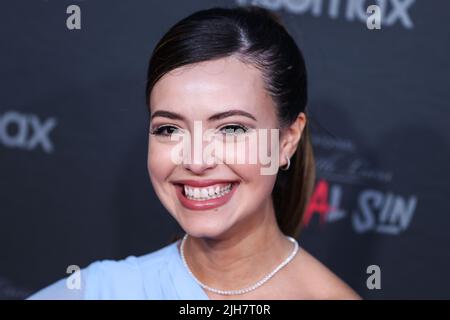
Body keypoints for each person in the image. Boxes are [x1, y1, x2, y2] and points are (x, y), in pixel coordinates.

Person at [28, 5, 361, 300]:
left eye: (231, 129)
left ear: (287, 140)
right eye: (169, 129)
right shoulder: (102, 290)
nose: (196, 160)